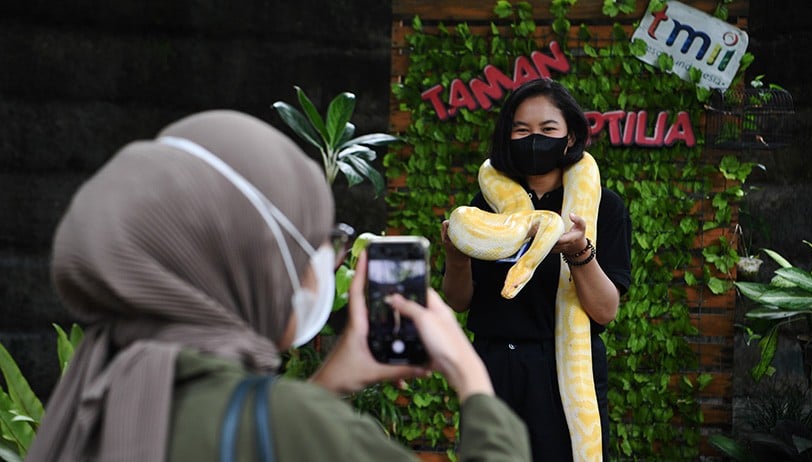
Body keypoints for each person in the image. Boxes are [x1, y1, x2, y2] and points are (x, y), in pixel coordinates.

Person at [26, 110, 530, 461]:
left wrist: (325, 386)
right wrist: (471, 377)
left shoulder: (90, 402)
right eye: (313, 245)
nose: (324, 269)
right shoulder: (301, 430)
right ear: (248, 264)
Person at [441, 78, 631, 461]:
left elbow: (605, 311)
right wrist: (457, 255)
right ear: (506, 136)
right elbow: (459, 301)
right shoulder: (486, 207)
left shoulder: (602, 208)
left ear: (571, 136)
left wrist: (579, 250)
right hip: (494, 367)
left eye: (547, 129)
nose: (533, 139)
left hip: (560, 370)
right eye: (521, 129)